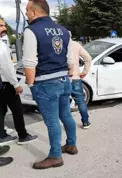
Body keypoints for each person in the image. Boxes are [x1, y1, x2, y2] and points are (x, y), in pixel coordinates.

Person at [23, 0, 77, 169]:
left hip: (45, 83)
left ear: (34, 12)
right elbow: (70, 60)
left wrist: (31, 85)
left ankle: (55, 156)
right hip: (63, 80)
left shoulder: (31, 31)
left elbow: (29, 63)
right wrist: (67, 75)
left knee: (52, 121)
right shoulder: (64, 30)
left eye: (27, 10)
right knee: (66, 114)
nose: (26, 14)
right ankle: (71, 144)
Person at [0, 18, 38, 146]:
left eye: (4, 25)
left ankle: (2, 135)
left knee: (1, 110)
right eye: (0, 26)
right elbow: (6, 67)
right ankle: (23, 135)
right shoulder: (1, 46)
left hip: (2, 83)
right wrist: (16, 85)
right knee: (17, 109)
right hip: (6, 83)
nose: (4, 28)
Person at [69, 38, 92, 129]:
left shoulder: (56, 44)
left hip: (62, 78)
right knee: (80, 100)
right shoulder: (75, 44)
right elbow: (88, 58)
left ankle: (68, 124)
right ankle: (85, 122)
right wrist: (85, 71)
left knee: (64, 102)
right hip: (75, 77)